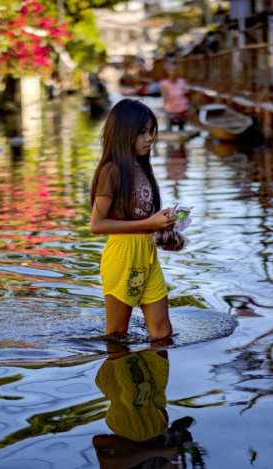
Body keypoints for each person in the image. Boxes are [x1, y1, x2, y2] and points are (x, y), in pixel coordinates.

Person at [90, 99, 175, 342]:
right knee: (117, 335)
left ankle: (153, 379)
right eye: (141, 132)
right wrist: (150, 223)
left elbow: (143, 218)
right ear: (123, 133)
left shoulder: (142, 167)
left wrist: (165, 229)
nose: (149, 138)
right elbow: (97, 225)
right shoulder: (112, 171)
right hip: (122, 257)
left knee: (162, 333)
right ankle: (116, 378)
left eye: (150, 132)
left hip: (147, 257)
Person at [159, 65, 189, 132]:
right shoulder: (164, 84)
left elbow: (186, 94)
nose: (174, 72)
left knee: (181, 130)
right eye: (172, 70)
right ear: (168, 72)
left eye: (175, 70)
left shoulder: (182, 82)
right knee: (169, 130)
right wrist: (163, 105)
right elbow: (165, 96)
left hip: (182, 109)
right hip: (170, 110)